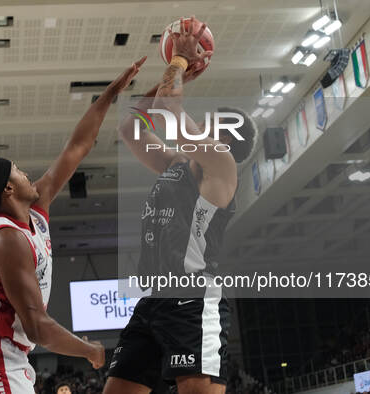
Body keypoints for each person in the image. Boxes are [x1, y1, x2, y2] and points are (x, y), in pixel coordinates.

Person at [0, 56, 146, 394]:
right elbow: (37, 326)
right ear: (9, 190)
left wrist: (112, 92)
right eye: (18, 171)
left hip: (8, 357)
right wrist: (90, 350)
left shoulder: (34, 208)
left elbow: (77, 147)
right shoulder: (7, 241)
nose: (27, 174)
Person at [104, 17, 257, 394]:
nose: (206, 120)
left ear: (225, 137)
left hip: (192, 299)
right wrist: (173, 78)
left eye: (215, 121)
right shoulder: (174, 163)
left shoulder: (219, 163)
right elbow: (129, 127)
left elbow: (169, 112)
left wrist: (180, 62)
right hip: (153, 300)